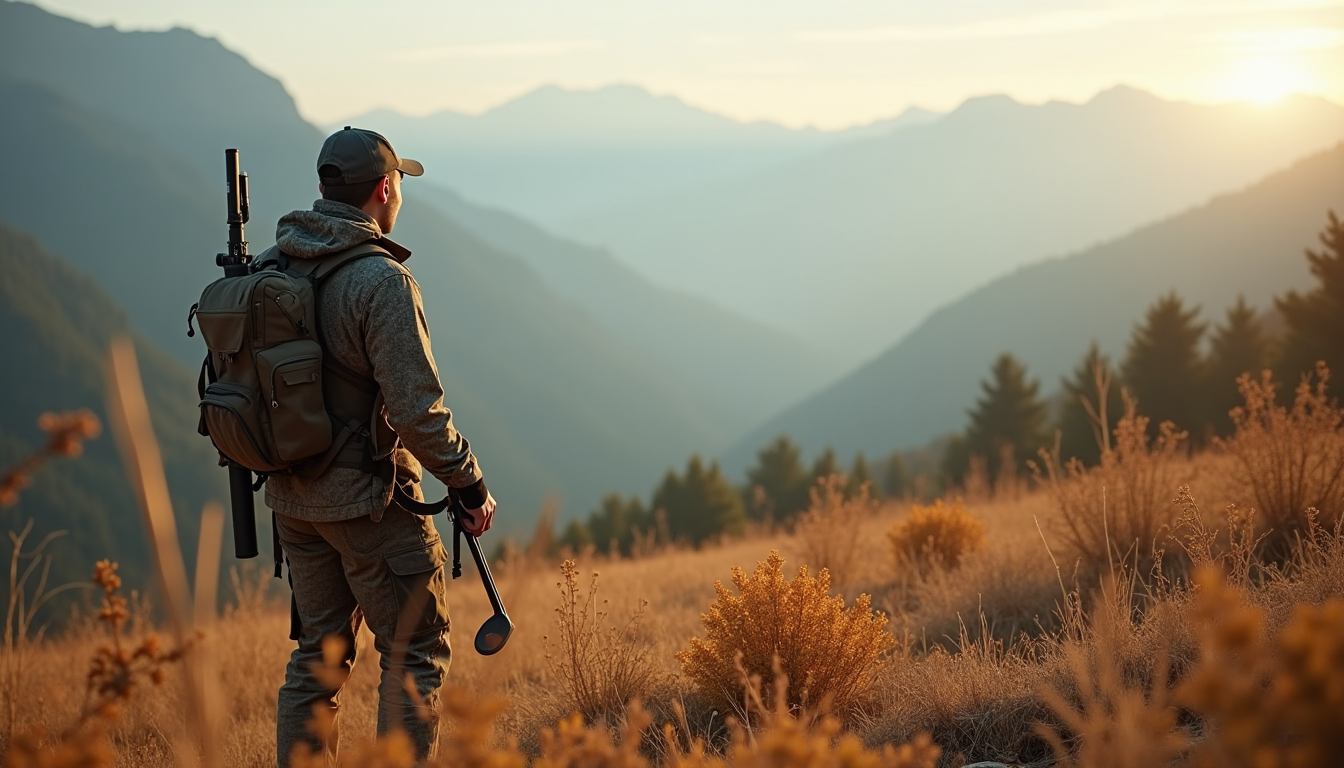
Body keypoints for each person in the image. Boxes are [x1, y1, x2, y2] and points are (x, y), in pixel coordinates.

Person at [267, 126, 496, 766]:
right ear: (385, 189)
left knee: (318, 654)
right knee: (413, 649)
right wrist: (469, 482)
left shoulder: (276, 262)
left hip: (292, 498)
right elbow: (418, 414)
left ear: (324, 188)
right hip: (368, 500)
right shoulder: (381, 281)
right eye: (399, 186)